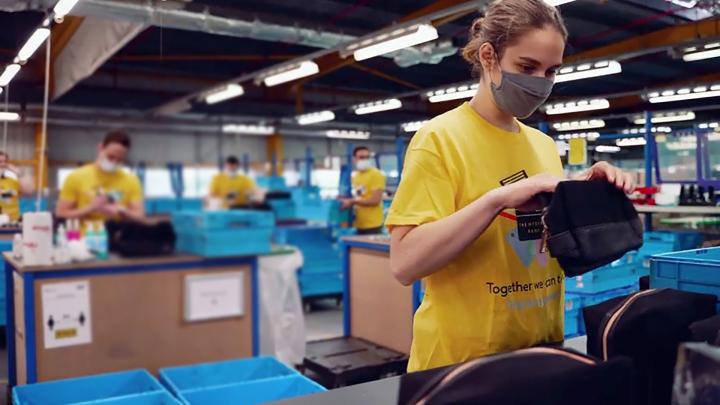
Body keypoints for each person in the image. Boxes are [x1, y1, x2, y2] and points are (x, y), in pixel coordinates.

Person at [385, 0, 635, 372]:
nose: (540, 83)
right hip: (461, 362)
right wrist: (496, 200)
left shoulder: (543, 144)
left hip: (540, 348)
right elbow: (405, 264)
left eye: (551, 71)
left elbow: (540, 234)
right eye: (526, 67)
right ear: (489, 57)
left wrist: (585, 192)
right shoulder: (439, 138)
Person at [56, 130, 144, 224]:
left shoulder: (131, 180)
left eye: (119, 160)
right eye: (110, 157)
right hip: (83, 237)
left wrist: (121, 210)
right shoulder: (76, 177)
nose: (114, 162)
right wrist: (91, 208)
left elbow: (139, 217)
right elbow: (61, 213)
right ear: (101, 148)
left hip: (117, 235)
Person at [340, 146, 387, 235]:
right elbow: (358, 195)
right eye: (361, 157)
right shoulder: (355, 176)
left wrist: (352, 202)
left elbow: (375, 201)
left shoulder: (376, 175)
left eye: (367, 157)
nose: (365, 160)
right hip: (358, 224)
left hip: (372, 225)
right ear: (354, 159)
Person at [0, 151, 31, 221]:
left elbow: (28, 192)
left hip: (13, 218)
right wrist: (10, 193)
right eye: (0, 161)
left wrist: (18, 173)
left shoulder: (13, 177)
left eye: (5, 161)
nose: (3, 164)